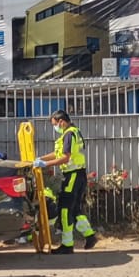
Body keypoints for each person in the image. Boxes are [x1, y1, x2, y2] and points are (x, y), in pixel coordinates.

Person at [37, 108, 97, 254]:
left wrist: (45, 165)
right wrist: (41, 159)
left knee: (64, 209)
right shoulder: (73, 132)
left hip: (73, 176)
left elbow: (65, 157)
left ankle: (67, 245)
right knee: (75, 208)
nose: (54, 127)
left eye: (54, 124)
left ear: (61, 122)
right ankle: (89, 235)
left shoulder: (69, 134)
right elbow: (58, 153)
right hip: (78, 175)